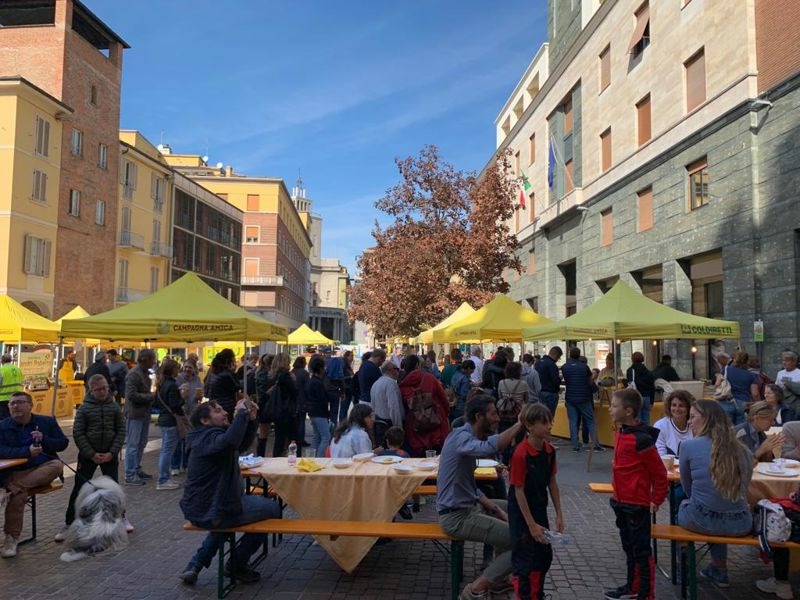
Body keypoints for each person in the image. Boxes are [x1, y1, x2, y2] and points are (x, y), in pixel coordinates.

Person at [179, 399, 281, 585]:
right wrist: (241, 414)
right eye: (218, 411)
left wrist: (250, 420)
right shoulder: (208, 439)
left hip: (210, 506)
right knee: (273, 510)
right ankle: (236, 564)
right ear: (205, 421)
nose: (225, 412)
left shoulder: (206, 436)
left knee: (224, 523)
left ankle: (196, 564)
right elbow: (230, 442)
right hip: (214, 507)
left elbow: (239, 445)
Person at [437, 394, 523, 600]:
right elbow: (491, 446)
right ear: (479, 417)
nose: (497, 419)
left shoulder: (462, 435)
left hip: (467, 506)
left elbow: (470, 488)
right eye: (493, 414)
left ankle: (499, 579)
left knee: (514, 508)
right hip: (456, 517)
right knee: (522, 542)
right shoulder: (461, 438)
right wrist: (520, 424)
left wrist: (496, 508)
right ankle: (475, 589)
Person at [678, 399, 754, 588]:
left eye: (692, 417)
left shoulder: (689, 446)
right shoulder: (744, 450)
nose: (689, 422)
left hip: (701, 519)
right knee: (718, 508)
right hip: (741, 522)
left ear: (706, 419)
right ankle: (719, 568)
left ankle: (683, 566)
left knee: (680, 504)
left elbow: (687, 487)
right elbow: (745, 487)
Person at [604, 388, 668, 600]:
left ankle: (646, 593)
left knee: (641, 550)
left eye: (614, 406)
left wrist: (656, 499)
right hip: (621, 500)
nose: (610, 410)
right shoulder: (621, 432)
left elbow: (659, 472)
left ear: (629, 411)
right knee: (629, 547)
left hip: (636, 502)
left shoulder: (641, 439)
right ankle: (633, 586)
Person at [55, 374, 126, 542]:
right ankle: (69, 522)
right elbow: (78, 433)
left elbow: (121, 430)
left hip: (110, 453)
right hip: (88, 455)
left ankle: (120, 518)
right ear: (91, 390)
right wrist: (91, 453)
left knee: (113, 488)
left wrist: (112, 451)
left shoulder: (114, 407)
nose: (103, 392)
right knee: (79, 487)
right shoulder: (84, 409)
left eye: (105, 388)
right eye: (99, 389)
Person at [0, 391, 68, 557]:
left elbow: (63, 444)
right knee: (17, 496)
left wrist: (44, 439)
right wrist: (26, 451)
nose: (16, 406)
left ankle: (14, 488)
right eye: (12, 403)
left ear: (30, 405)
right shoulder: (2, 426)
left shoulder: (46, 422)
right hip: (14, 472)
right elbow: (1, 450)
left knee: (57, 465)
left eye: (20, 402)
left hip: (40, 470)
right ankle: (11, 539)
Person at [509, 403, 563, 600]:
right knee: (525, 560)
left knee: (543, 555)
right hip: (522, 513)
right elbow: (518, 491)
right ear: (530, 426)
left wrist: (559, 514)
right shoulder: (520, 454)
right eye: (544, 422)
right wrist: (530, 524)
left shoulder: (549, 451)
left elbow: (552, 482)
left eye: (550, 422)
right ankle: (526, 595)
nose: (549, 426)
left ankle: (536, 593)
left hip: (539, 508)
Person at [399, 354, 450, 457]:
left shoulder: (403, 385)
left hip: (414, 427)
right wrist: (446, 414)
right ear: (418, 365)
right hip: (435, 425)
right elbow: (443, 399)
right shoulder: (429, 378)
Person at [124, 349, 157, 486]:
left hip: (144, 413)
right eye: (152, 359)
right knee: (133, 444)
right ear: (145, 359)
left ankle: (136, 468)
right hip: (135, 414)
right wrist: (150, 397)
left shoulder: (145, 373)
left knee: (142, 443)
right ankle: (130, 473)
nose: (154, 362)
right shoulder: (134, 374)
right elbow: (131, 395)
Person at [154, 358, 185, 491]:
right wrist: (182, 397)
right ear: (173, 370)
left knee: (166, 450)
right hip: (170, 421)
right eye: (177, 368)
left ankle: (164, 477)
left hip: (164, 419)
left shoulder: (162, 384)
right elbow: (175, 405)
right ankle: (163, 479)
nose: (179, 370)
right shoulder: (171, 385)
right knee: (167, 451)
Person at [561, 347, 599, 453]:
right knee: (590, 421)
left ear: (569, 354)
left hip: (570, 397)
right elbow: (589, 380)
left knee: (573, 421)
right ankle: (595, 444)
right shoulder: (584, 367)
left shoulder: (565, 367)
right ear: (579, 355)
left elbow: (566, 380)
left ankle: (575, 445)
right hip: (584, 397)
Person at [370, 360, 404, 447]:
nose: (398, 371)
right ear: (391, 370)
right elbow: (394, 407)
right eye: (396, 369)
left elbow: (373, 407)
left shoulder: (376, 383)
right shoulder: (390, 383)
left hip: (379, 423)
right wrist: (398, 427)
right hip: (389, 425)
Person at [722, 351, 759, 426]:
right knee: (741, 431)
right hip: (743, 404)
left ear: (734, 359)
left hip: (727, 402)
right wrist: (758, 405)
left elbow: (717, 384)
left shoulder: (726, 370)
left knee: (727, 429)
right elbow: (755, 394)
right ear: (747, 361)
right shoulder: (751, 375)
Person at [653, 390, 694, 457]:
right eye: (674, 405)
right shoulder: (660, 426)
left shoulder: (694, 425)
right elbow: (660, 455)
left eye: (681, 406)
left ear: (689, 408)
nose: (677, 409)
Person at [204, 349, 241, 419]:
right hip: (226, 406)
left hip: (213, 403)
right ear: (229, 360)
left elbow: (205, 381)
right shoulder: (226, 374)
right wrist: (233, 373)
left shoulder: (212, 370)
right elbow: (237, 387)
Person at [306, 355, 331, 458]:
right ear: (320, 368)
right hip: (320, 412)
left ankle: (312, 457)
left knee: (317, 436)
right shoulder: (317, 382)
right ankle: (321, 459)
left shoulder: (312, 380)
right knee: (326, 437)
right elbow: (323, 400)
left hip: (313, 412)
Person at [626, 352, 655, 425]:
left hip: (636, 397)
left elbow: (629, 384)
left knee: (637, 421)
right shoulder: (648, 372)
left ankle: (639, 435)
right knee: (646, 421)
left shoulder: (630, 371)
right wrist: (651, 401)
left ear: (632, 359)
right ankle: (645, 435)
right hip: (647, 397)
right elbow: (652, 387)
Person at [254, 353, 274, 457]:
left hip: (263, 405)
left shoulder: (260, 372)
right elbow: (262, 393)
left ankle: (260, 455)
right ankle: (260, 455)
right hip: (264, 405)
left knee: (263, 431)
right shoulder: (264, 374)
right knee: (263, 432)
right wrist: (269, 391)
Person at [535, 346, 562, 419]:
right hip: (550, 394)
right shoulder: (552, 365)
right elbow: (555, 380)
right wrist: (560, 379)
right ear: (556, 355)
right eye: (559, 357)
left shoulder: (538, 362)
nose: (558, 359)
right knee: (549, 416)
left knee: (540, 416)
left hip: (539, 392)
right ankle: (546, 430)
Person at [292, 356, 310, 447]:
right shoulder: (304, 373)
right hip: (302, 401)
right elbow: (308, 388)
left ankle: (295, 439)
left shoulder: (292, 372)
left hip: (293, 401)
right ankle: (301, 440)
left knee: (295, 422)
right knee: (301, 422)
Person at [776, 351, 800, 415]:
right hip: (782, 404)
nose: (784, 362)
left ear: (794, 362)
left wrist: (788, 384)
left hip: (795, 406)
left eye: (787, 361)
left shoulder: (799, 373)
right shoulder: (780, 373)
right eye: (783, 360)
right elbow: (776, 388)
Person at [0, 354, 24, 420]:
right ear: (11, 360)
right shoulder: (18, 369)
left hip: (3, 399)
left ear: (2, 361)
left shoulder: (1, 370)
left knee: (4, 420)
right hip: (17, 397)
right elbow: (22, 381)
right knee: (15, 417)